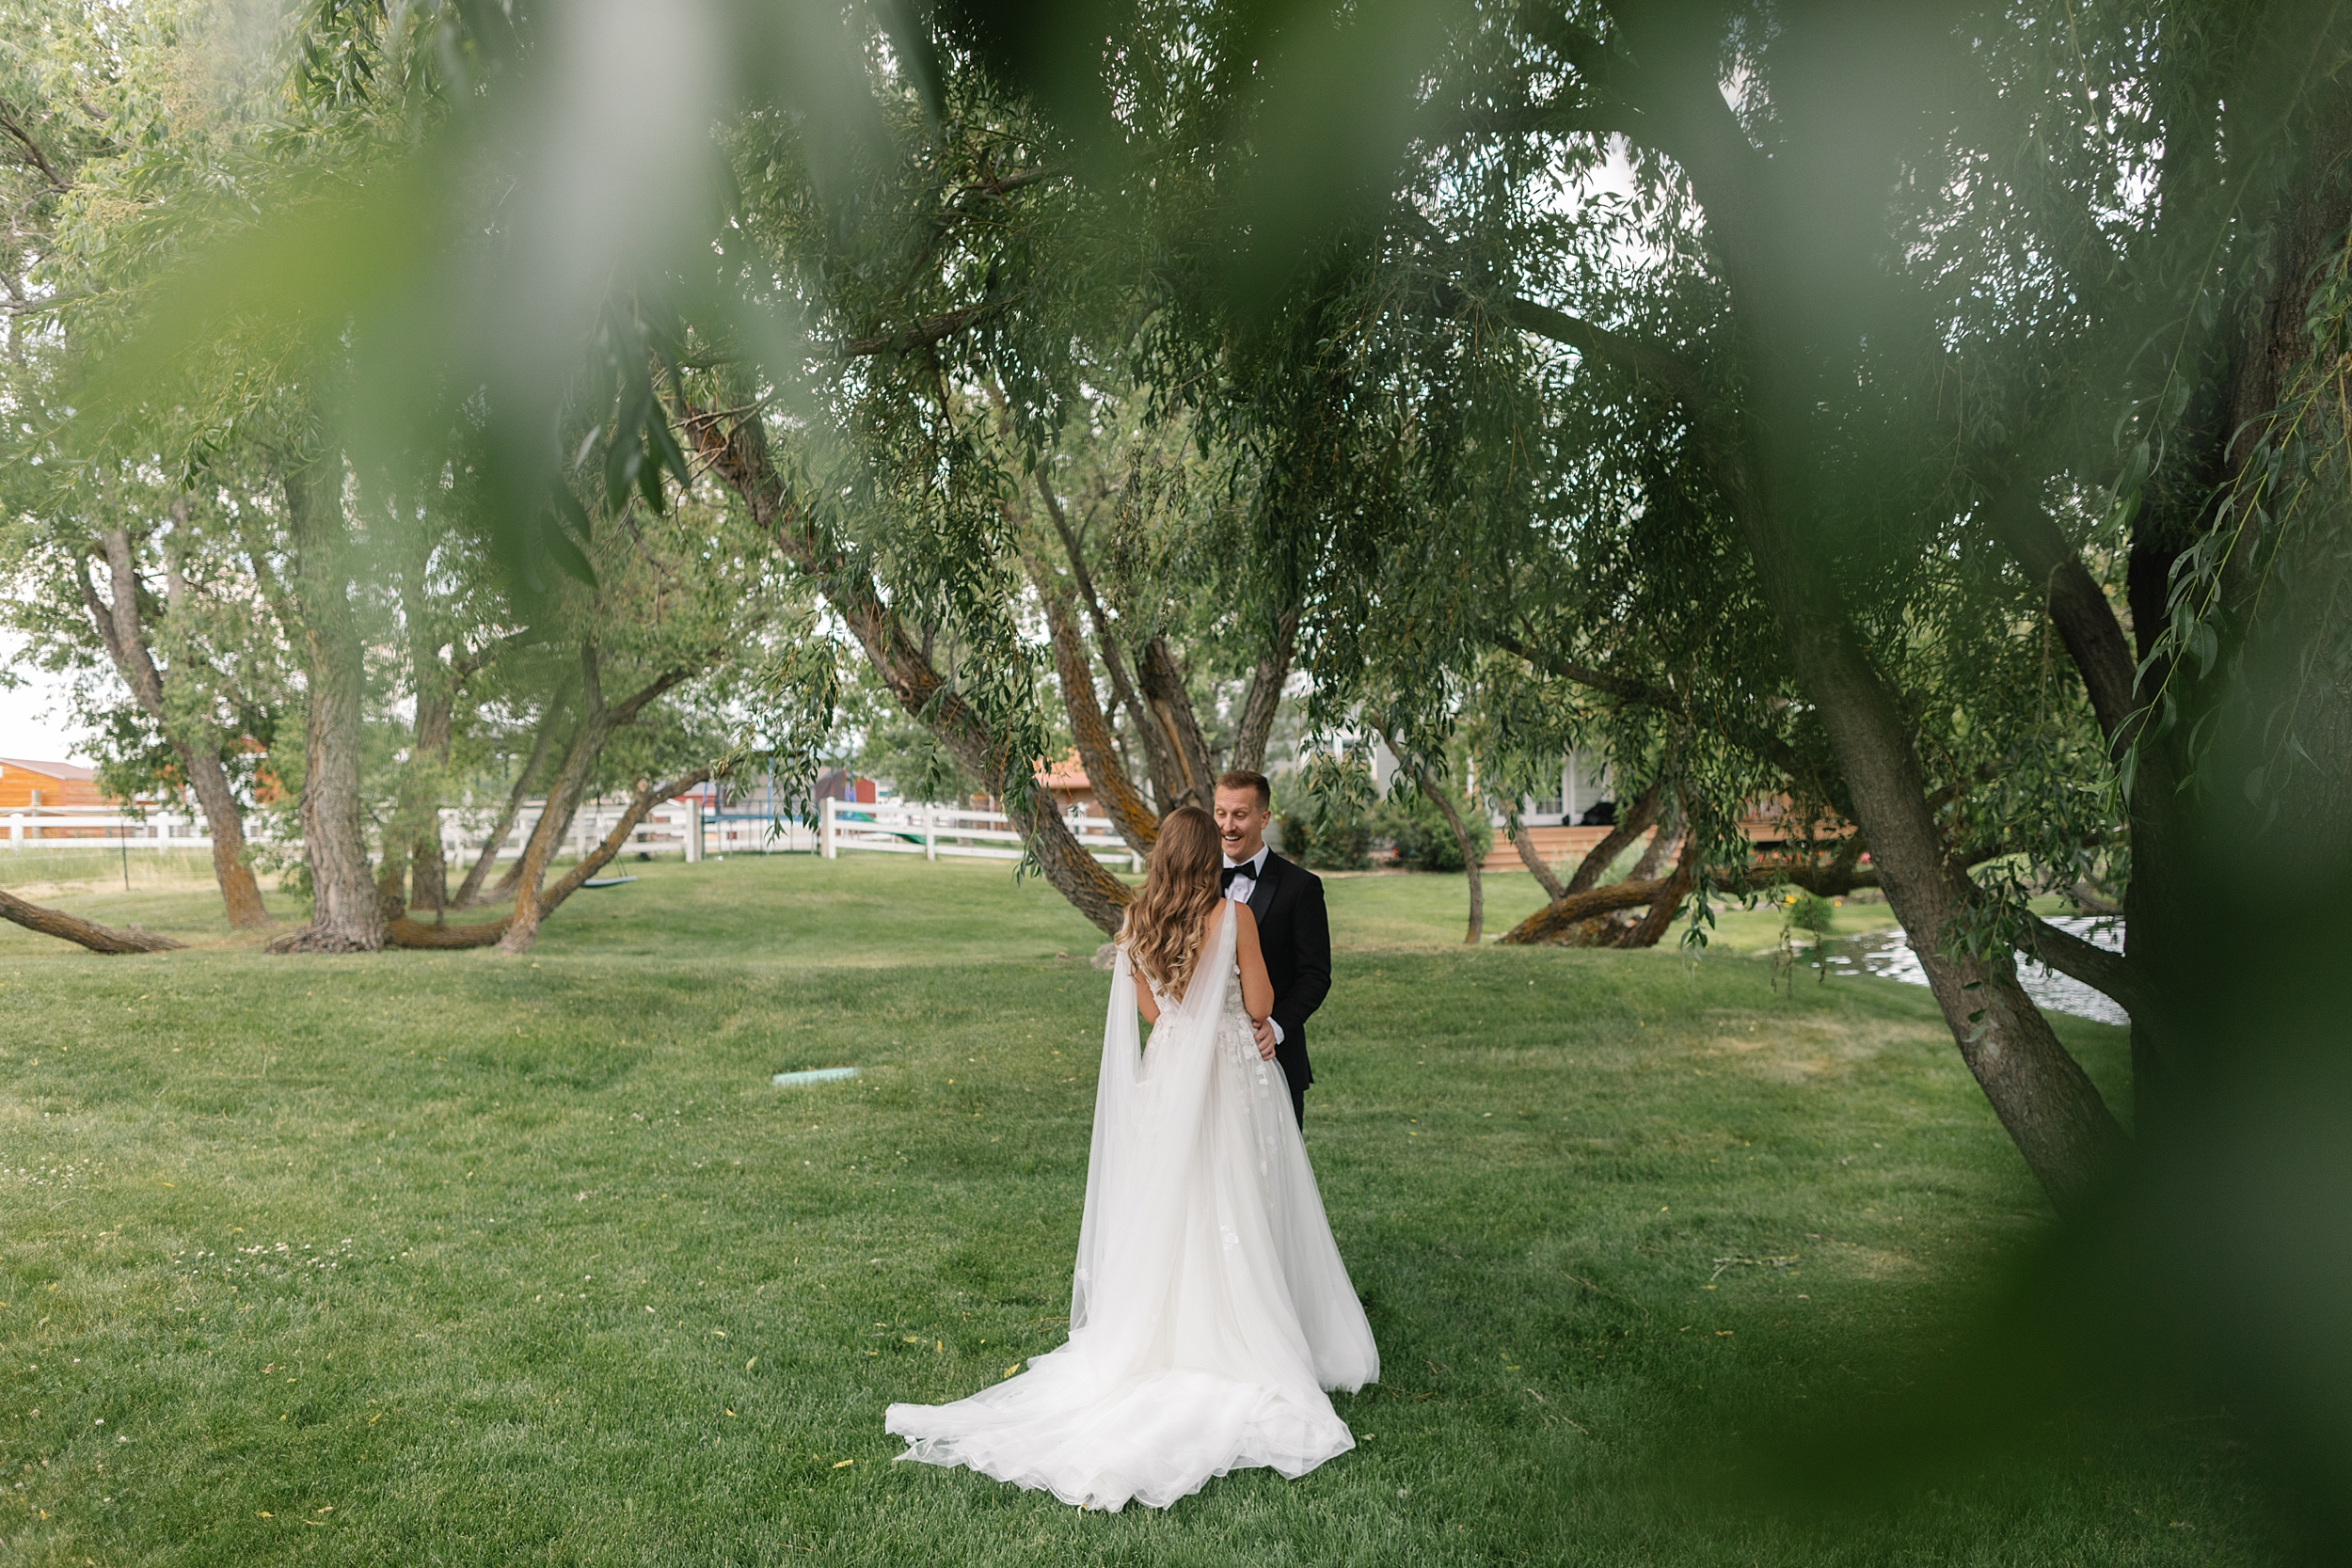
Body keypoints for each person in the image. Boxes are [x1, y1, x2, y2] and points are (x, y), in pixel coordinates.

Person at [883, 805, 1378, 1512]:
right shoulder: (1233, 915)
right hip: (1233, 1075)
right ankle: (1242, 1324)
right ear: (1209, 855)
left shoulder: (1136, 922)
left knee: (1175, 1203)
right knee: (1239, 1194)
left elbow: (1154, 1013)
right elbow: (1260, 1001)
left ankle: (1171, 1326)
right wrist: (1240, 979)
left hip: (1171, 1073)